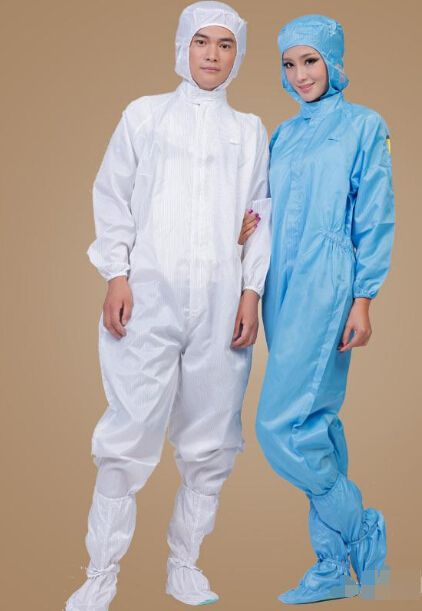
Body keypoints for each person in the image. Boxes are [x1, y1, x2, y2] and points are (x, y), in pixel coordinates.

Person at [65, 2, 271, 609]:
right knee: (128, 433)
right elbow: (113, 194)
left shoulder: (249, 130)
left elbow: (259, 214)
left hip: (221, 301)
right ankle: (100, 575)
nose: (212, 54)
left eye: (225, 45)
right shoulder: (145, 116)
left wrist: (251, 291)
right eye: (202, 41)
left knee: (212, 438)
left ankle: (185, 566)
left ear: (238, 56)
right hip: (149, 296)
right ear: (183, 47)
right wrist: (117, 274)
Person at [255, 14, 395, 605]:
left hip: (326, 280)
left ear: (333, 61)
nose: (300, 74)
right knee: (314, 422)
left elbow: (375, 215)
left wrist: (363, 298)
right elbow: (264, 208)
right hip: (278, 285)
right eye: (289, 64)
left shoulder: (364, 126)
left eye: (309, 60)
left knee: (278, 427)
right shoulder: (283, 135)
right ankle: (333, 567)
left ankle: (361, 525)